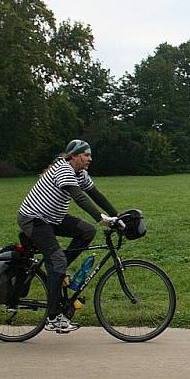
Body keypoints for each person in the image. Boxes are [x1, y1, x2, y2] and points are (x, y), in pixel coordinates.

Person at [17, 139, 122, 334]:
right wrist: (102, 218)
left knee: (87, 231)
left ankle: (57, 273)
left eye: (90, 155)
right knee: (57, 261)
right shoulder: (63, 169)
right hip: (34, 219)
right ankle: (53, 317)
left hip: (52, 218)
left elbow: (95, 194)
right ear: (74, 156)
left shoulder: (80, 173)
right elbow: (79, 197)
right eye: (86, 155)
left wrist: (117, 215)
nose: (90, 158)